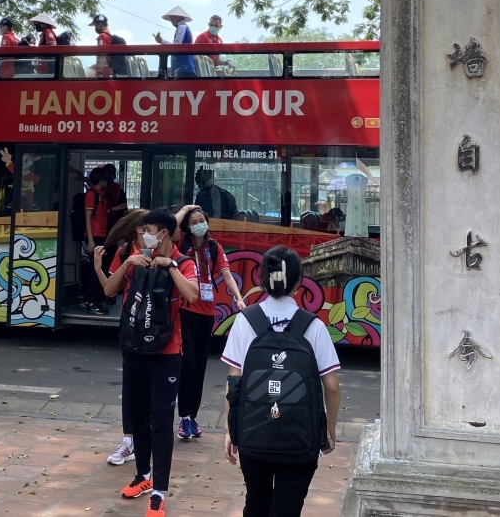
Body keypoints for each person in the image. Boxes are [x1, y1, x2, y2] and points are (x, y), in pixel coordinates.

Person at [221, 246, 340, 517]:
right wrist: (328, 428)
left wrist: (232, 429)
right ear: (298, 283)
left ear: (262, 280)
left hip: (253, 433)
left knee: (256, 503)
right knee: (288, 509)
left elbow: (233, 382)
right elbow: (331, 386)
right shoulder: (313, 326)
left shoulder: (244, 321)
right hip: (301, 437)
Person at [98, 207, 199, 517]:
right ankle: (143, 476)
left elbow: (192, 296)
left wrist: (170, 268)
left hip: (167, 355)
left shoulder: (183, 262)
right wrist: (127, 261)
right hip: (134, 351)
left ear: (163, 234)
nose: (142, 236)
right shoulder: (135, 258)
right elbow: (109, 290)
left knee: (160, 422)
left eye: (147, 230)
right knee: (138, 417)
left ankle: (159, 491)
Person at [176, 206, 245, 441]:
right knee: (188, 363)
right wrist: (185, 209)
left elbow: (226, 274)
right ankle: (183, 416)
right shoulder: (181, 244)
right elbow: (167, 229)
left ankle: (191, 417)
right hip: (184, 310)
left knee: (200, 367)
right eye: (193, 221)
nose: (198, 224)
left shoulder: (214, 247)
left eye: (201, 220)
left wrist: (238, 297)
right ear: (187, 225)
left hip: (206, 313)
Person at [95, 210, 149, 467]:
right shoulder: (125, 253)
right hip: (131, 325)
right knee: (130, 385)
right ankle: (129, 440)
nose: (155, 232)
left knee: (153, 387)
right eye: (149, 226)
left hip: (159, 327)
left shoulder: (165, 252)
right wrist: (99, 267)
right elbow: (110, 289)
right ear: (139, 229)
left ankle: (146, 438)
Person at [80, 171, 111, 314]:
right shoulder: (92, 194)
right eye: (105, 179)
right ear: (101, 180)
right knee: (95, 269)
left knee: (97, 268)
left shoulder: (101, 195)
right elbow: (88, 217)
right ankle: (91, 301)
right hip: (95, 236)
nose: (107, 182)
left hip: (101, 235)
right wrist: (91, 240)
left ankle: (90, 297)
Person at [154, 6, 195, 78]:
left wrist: (162, 41)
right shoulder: (183, 27)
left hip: (183, 68)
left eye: (172, 18)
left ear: (179, 17)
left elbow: (177, 46)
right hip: (183, 67)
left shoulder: (181, 27)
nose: (171, 20)